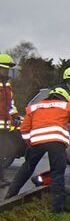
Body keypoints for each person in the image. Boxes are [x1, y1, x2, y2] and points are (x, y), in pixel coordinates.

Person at [3, 87, 70, 213]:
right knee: (57, 173)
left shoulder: (34, 107)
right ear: (64, 98)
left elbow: (24, 129)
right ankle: (58, 208)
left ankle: (10, 196)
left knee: (27, 168)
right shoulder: (66, 106)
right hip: (56, 142)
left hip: (37, 143)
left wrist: (30, 143)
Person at [0, 53, 21, 186]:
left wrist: (16, 117)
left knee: (2, 154)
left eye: (8, 69)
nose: (7, 71)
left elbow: (11, 105)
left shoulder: (7, 85)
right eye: (4, 68)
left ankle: (1, 179)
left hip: (4, 128)